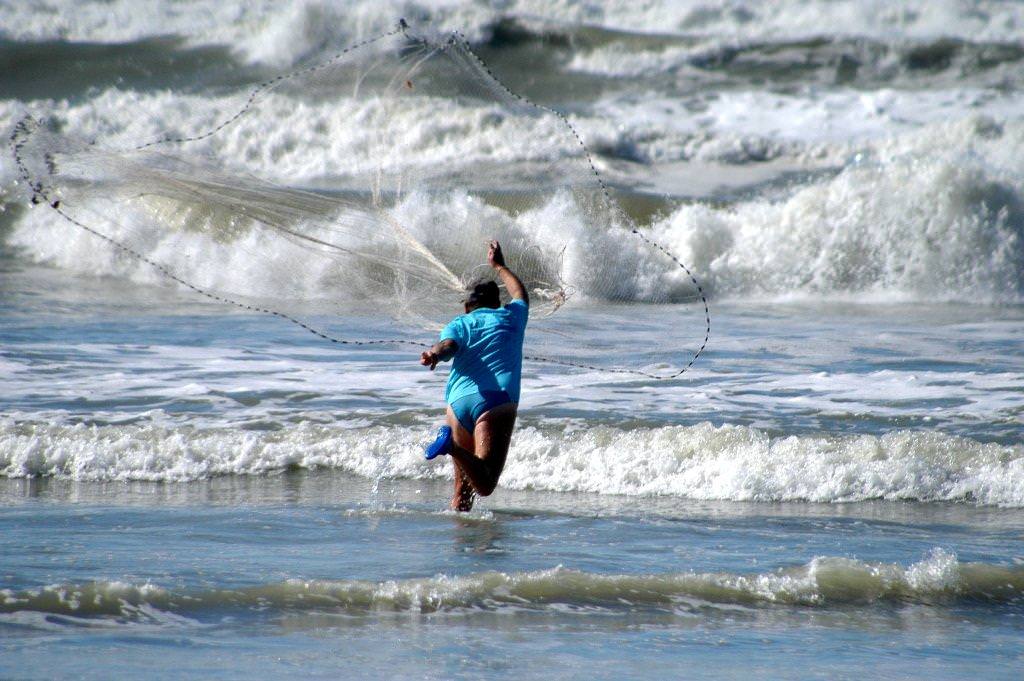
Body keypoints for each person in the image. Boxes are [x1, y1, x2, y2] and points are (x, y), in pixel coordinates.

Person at [419, 239, 529, 511]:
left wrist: (434, 355)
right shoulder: (511, 316)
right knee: (485, 483)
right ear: (496, 303)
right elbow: (520, 294)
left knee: (462, 491)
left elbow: (448, 347)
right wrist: (500, 266)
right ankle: (452, 448)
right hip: (494, 401)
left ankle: (462, 549)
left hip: (457, 403)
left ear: (468, 306)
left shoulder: (459, 323)